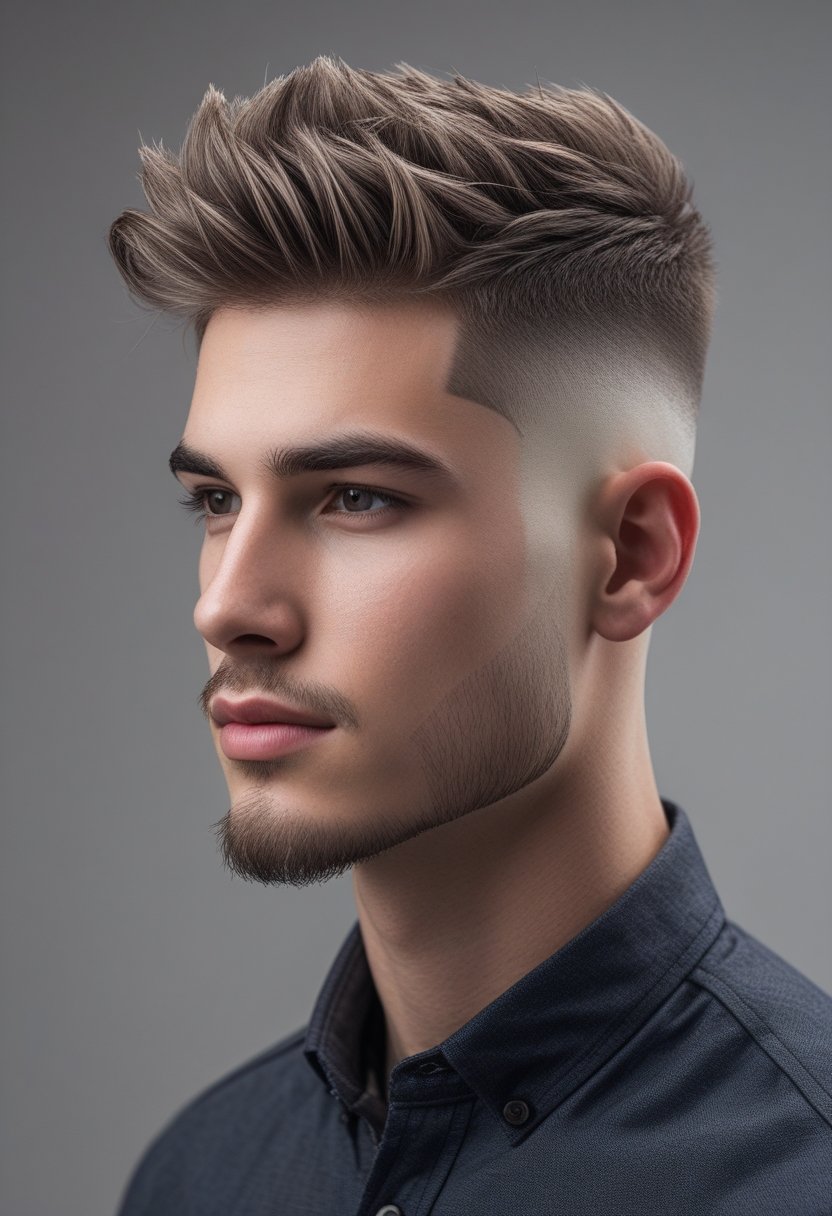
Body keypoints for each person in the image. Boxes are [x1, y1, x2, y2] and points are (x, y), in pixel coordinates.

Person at [108, 55, 832, 1215]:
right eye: (216, 501)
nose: (227, 605)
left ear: (633, 554)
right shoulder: (198, 1176)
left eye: (356, 497)